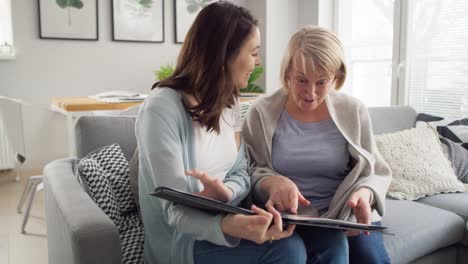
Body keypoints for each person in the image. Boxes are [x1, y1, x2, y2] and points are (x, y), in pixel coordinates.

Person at [135, 2, 306, 264]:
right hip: (181, 241)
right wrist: (228, 224)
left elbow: (241, 172)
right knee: (287, 250)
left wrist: (226, 193)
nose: (258, 62)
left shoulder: (230, 103)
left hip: (227, 217)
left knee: (310, 241)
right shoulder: (162, 108)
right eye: (253, 52)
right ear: (225, 53)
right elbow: (174, 210)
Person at [242, 26, 392, 264]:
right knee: (332, 250)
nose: (310, 93)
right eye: (301, 80)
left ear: (336, 77)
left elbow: (373, 169)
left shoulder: (353, 110)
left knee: (370, 258)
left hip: (345, 213)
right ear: (288, 71)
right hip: (288, 216)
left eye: (322, 82)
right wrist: (271, 182)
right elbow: (248, 170)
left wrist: (365, 193)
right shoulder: (261, 111)